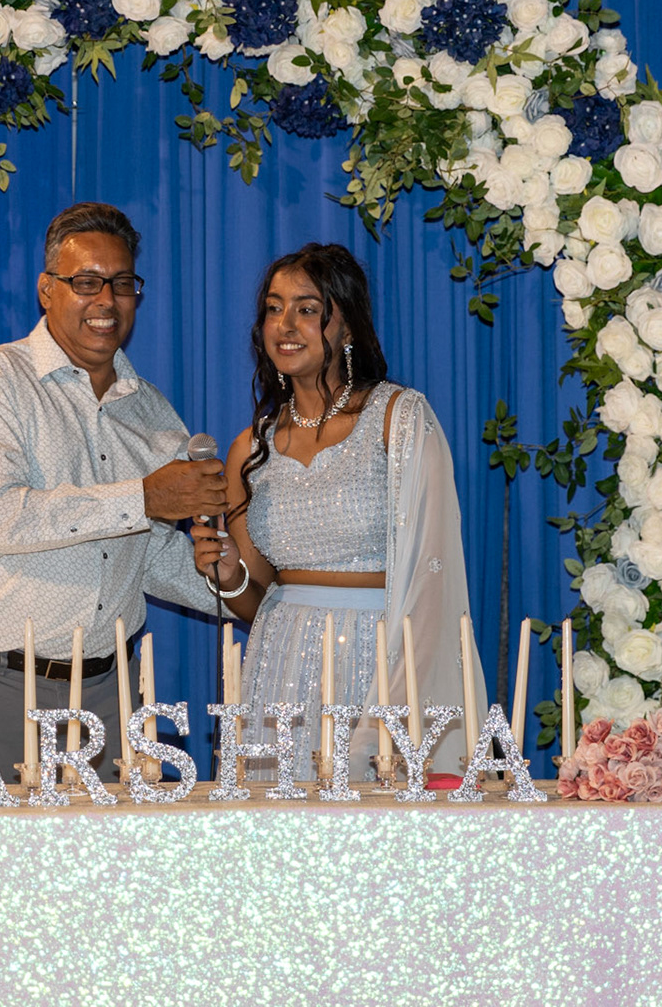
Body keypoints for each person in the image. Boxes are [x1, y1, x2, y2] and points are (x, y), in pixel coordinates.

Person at [0, 203, 239, 780]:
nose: (106, 300)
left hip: (107, 691)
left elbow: (143, 554)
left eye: (122, 283)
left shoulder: (153, 412)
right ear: (47, 290)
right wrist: (144, 498)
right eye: (86, 282)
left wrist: (235, 585)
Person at [193, 243, 485, 779]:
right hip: (281, 664)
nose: (286, 324)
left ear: (347, 327)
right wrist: (229, 577)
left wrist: (399, 690)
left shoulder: (399, 418)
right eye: (274, 308)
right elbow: (256, 599)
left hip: (381, 657)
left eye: (307, 309)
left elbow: (433, 580)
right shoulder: (248, 448)